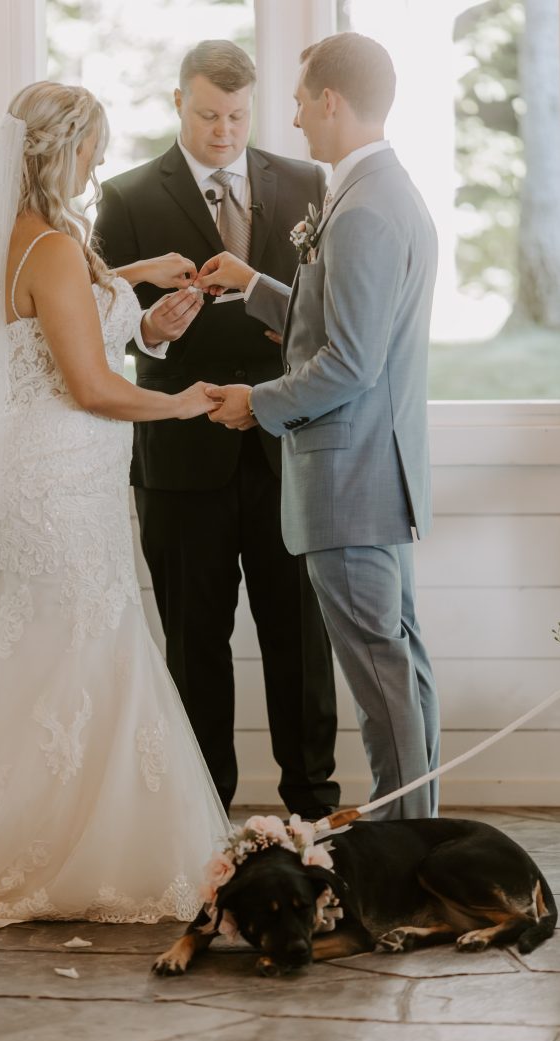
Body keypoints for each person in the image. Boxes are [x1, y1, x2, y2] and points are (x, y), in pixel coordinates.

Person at [0, 82, 231, 946]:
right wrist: (187, 403)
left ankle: (45, 839)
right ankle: (63, 852)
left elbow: (63, 316)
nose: (98, 162)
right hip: (61, 484)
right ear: (60, 151)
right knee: (80, 645)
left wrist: (136, 288)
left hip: (59, 479)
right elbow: (96, 387)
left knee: (48, 653)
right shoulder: (58, 249)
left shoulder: (28, 242)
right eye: (92, 147)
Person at [195, 32, 441, 820]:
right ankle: (420, 834)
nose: (294, 118)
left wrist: (255, 403)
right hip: (378, 474)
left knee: (381, 680)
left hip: (349, 480)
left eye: (300, 100)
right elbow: (339, 320)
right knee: (400, 668)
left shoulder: (364, 209)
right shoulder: (382, 190)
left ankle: (407, 849)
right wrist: (259, 285)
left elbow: (349, 363)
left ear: (331, 100)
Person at [95, 40, 340, 819]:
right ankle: (202, 825)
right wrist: (154, 332)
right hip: (180, 457)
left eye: (237, 115)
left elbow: (331, 305)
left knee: (300, 644)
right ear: (178, 105)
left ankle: (311, 814)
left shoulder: (306, 183)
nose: (224, 130)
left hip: (285, 445)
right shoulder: (129, 196)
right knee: (195, 649)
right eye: (208, 114)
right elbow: (102, 325)